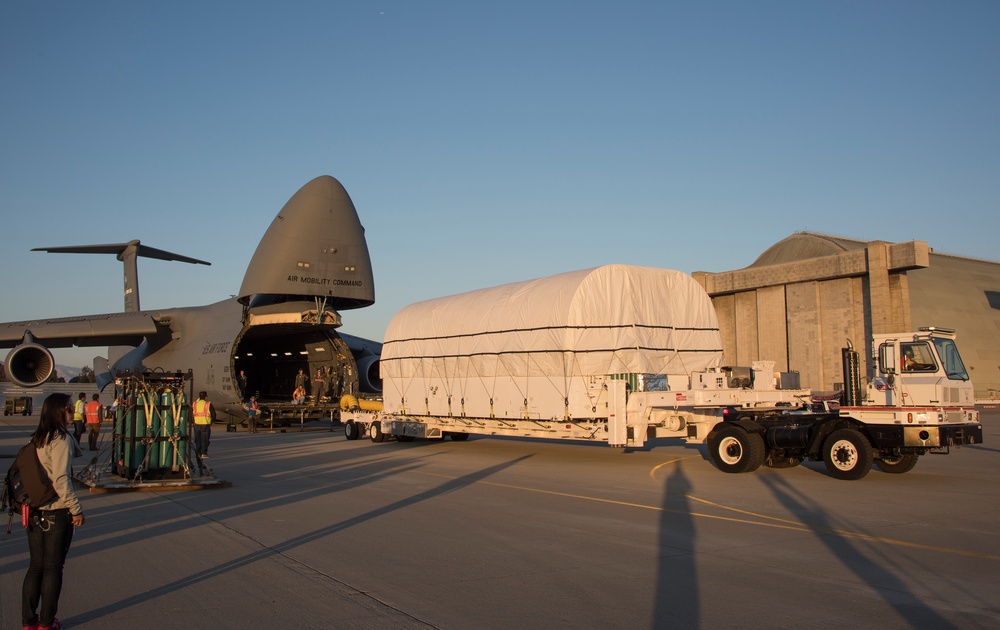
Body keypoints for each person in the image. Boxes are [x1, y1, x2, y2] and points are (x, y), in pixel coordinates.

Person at [21, 392, 85, 630]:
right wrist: (76, 510)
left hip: (35, 510)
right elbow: (60, 480)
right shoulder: (60, 439)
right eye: (69, 408)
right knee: (53, 569)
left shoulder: (38, 437)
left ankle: (29, 622)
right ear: (58, 411)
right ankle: (47, 623)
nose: (72, 412)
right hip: (56, 512)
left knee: (36, 566)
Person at [192, 391, 214, 470]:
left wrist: (193, 422)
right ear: (205, 397)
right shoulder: (208, 404)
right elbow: (213, 414)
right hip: (205, 425)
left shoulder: (195, 404)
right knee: (205, 440)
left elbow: (191, 414)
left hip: (197, 425)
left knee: (198, 441)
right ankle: (204, 453)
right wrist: (211, 422)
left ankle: (198, 455)